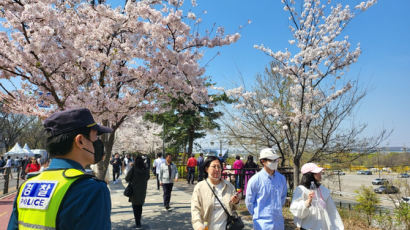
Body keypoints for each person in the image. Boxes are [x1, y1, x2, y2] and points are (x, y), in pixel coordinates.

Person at [7, 108, 113, 230]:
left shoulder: (28, 185)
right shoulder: (91, 189)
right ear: (80, 141)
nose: (98, 144)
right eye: (95, 138)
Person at [191, 156, 240, 230]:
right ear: (206, 169)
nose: (217, 169)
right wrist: (198, 226)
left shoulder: (229, 186)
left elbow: (234, 208)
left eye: (219, 167)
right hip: (206, 227)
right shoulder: (200, 187)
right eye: (214, 166)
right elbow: (195, 209)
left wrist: (236, 202)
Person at [290, 163, 344, 230]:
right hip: (307, 227)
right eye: (317, 172)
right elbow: (295, 208)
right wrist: (306, 203)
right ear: (310, 175)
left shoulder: (322, 189)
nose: (320, 173)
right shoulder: (301, 190)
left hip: (322, 227)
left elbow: (332, 210)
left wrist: (337, 227)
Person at [245, 148, 287, 230]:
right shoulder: (255, 180)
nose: (275, 162)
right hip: (262, 224)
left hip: (278, 223)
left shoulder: (281, 179)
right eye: (271, 160)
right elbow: (249, 202)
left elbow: (282, 197)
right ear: (263, 161)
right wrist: (257, 214)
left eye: (276, 160)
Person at [125, 155, 150, 229]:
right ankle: (138, 221)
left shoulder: (134, 169)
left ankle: (137, 222)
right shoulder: (146, 170)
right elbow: (148, 177)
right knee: (140, 206)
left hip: (134, 191)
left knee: (135, 207)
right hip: (142, 191)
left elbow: (127, 178)